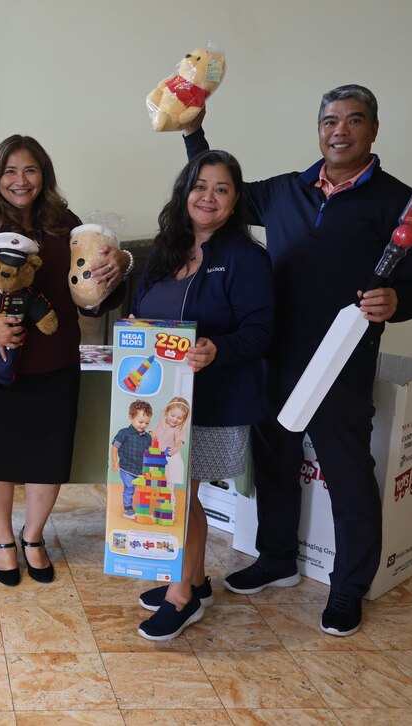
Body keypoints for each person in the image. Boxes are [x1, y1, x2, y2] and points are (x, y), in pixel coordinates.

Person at [182, 85, 412, 636]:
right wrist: (192, 131)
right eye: (329, 121)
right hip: (276, 351)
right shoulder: (284, 191)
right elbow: (214, 190)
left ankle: (349, 587)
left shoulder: (402, 203)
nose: (339, 130)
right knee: (275, 460)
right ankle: (276, 559)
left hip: (342, 359)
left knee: (347, 473)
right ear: (318, 129)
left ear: (373, 128)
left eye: (353, 120)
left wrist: (398, 302)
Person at [0, 135, 128, 586]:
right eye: (10, 171)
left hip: (53, 359)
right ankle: (3, 538)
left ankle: (34, 535)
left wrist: (116, 270)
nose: (20, 181)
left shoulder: (69, 227)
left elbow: (93, 300)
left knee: (48, 455)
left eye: (29, 170)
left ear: (44, 176)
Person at [130, 149, 274, 640]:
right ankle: (192, 577)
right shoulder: (164, 251)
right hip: (163, 400)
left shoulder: (246, 258)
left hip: (213, 401)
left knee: (181, 493)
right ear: (184, 192)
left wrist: (219, 349)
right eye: (200, 185)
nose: (208, 197)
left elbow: (261, 332)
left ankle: (181, 596)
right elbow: (140, 315)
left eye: (222, 189)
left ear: (235, 203)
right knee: (173, 490)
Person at [111, 400, 155, 520]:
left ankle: (142, 510)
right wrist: (115, 461)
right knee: (129, 488)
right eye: (140, 421)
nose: (143, 425)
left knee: (143, 490)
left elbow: (150, 451)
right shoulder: (124, 433)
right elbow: (115, 446)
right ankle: (128, 510)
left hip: (141, 470)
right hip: (127, 468)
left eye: (147, 423)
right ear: (131, 417)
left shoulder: (147, 438)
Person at [151, 396, 190, 485]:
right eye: (173, 415)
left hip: (171, 456)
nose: (175, 419)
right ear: (167, 412)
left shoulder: (178, 429)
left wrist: (174, 448)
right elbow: (152, 432)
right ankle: (160, 493)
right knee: (160, 478)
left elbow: (179, 442)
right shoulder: (160, 423)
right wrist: (152, 436)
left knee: (170, 477)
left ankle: (170, 493)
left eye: (179, 418)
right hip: (159, 455)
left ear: (184, 419)